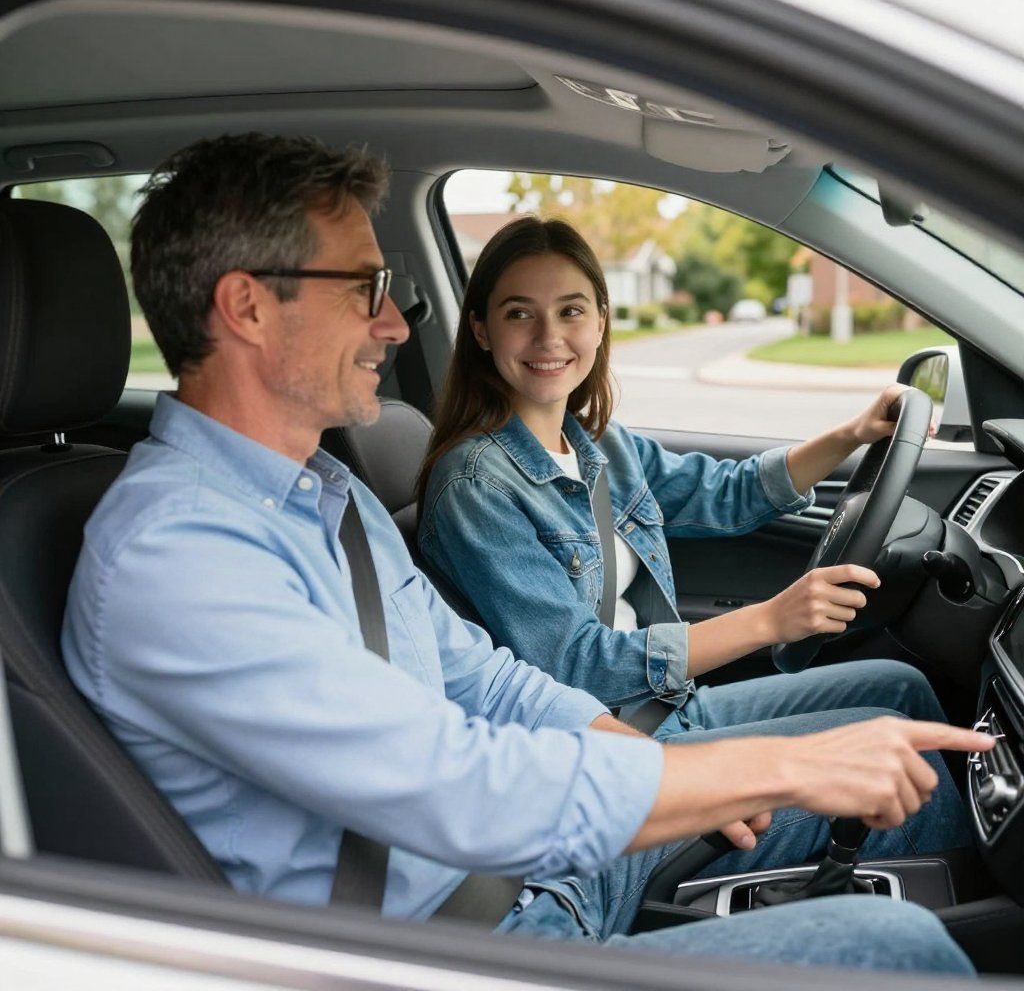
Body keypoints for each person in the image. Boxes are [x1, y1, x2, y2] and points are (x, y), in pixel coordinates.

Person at [61, 133, 991, 976]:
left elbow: (494, 683)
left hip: (543, 872)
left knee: (897, 756)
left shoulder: (327, 499)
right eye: (368, 292)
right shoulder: (175, 553)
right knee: (897, 947)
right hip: (457, 944)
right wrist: (771, 768)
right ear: (248, 306)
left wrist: (670, 764)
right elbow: (449, 781)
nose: (392, 327)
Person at [416, 215, 973, 872]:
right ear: (480, 329)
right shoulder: (475, 485)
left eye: (571, 311)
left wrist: (851, 434)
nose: (549, 337)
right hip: (603, 754)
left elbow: (728, 493)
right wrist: (770, 620)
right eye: (519, 314)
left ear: (600, 321)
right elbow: (571, 664)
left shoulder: (601, 448)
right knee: (915, 778)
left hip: (671, 709)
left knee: (899, 687)